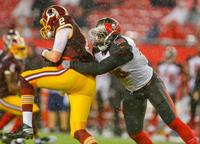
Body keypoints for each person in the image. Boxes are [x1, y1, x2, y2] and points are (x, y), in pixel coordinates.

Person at [61, 17, 198, 144]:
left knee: (173, 121)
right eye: (97, 34)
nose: (97, 38)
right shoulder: (98, 49)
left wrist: (71, 65)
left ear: (112, 34)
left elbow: (99, 68)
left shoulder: (123, 46)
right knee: (135, 133)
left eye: (101, 34)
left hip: (150, 84)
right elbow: (88, 65)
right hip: (132, 91)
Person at [9, 5, 97, 144]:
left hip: (73, 73)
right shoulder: (76, 30)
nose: (46, 25)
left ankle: (26, 127)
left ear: (52, 17)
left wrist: (44, 52)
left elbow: (55, 57)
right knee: (78, 131)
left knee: (25, 78)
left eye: (46, 21)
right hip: (88, 83)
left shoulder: (63, 24)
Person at [0, 29, 49, 144]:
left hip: (10, 95)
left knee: (26, 109)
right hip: (4, 96)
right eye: (19, 48)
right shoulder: (9, 62)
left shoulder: (15, 60)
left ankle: (30, 139)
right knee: (28, 109)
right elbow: (11, 87)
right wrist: (27, 85)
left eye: (23, 48)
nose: (22, 51)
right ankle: (17, 137)